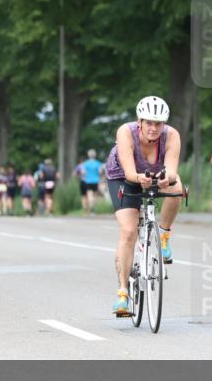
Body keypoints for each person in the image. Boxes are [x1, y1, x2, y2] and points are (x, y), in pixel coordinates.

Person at [104, 96, 184, 317]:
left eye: (158, 123)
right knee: (129, 231)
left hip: (154, 175)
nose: (153, 128)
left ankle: (164, 234)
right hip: (123, 176)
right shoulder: (125, 132)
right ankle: (122, 293)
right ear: (140, 121)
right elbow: (130, 172)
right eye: (149, 122)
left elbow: (171, 170)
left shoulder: (171, 135)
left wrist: (167, 178)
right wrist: (139, 178)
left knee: (178, 188)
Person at [79, 149, 104, 216]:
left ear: (88, 155)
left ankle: (90, 209)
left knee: (89, 195)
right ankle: (93, 210)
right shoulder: (98, 163)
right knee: (95, 196)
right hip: (96, 181)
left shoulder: (85, 163)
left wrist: (87, 175)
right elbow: (100, 172)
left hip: (88, 181)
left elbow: (83, 172)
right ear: (95, 155)